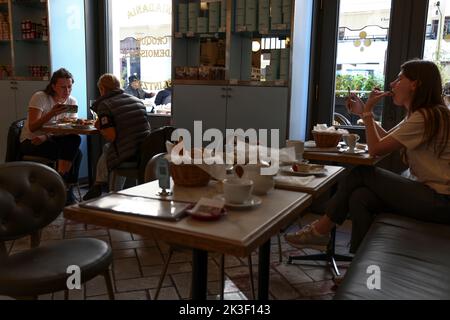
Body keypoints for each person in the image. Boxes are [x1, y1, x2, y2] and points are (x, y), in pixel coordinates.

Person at [285, 59, 450, 254]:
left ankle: (320, 230)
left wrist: (368, 112)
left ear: (415, 84)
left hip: (440, 201)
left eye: (399, 79)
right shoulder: (424, 114)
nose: (392, 84)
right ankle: (358, 269)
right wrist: (364, 113)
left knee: (362, 173)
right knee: (360, 197)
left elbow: (376, 149)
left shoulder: (425, 117)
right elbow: (386, 140)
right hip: (432, 197)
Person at [83, 74, 151, 200]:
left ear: (102, 89)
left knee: (109, 149)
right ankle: (103, 186)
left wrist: (102, 128)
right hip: (144, 150)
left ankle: (105, 188)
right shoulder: (137, 101)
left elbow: (111, 136)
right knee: (108, 149)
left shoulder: (105, 105)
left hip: (128, 153)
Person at [20, 68, 82, 205]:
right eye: (63, 87)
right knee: (76, 153)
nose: (67, 91)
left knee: (75, 139)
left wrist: (47, 137)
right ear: (53, 86)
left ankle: (61, 186)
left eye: (70, 87)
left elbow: (70, 129)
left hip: (51, 139)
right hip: (31, 141)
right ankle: (64, 189)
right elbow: (32, 127)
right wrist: (51, 114)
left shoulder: (72, 101)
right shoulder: (40, 97)